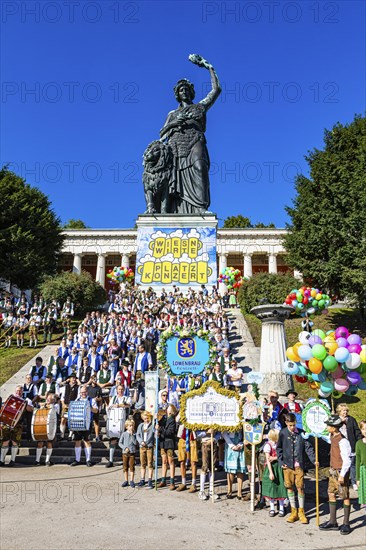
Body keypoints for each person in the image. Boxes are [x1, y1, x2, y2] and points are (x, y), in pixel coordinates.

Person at [159, 54, 221, 214]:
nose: (184, 92)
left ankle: (200, 207)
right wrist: (175, 122)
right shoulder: (172, 113)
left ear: (191, 92)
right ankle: (175, 211)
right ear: (177, 94)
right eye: (181, 90)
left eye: (186, 89)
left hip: (195, 141)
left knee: (200, 168)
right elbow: (162, 134)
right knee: (175, 178)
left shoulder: (200, 107)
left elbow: (216, 90)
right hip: (176, 146)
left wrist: (208, 66)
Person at [277, 412, 316, 524]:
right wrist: (281, 461)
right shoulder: (283, 433)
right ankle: (293, 511)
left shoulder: (301, 434)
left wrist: (314, 460)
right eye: (290, 425)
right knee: (289, 487)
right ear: (286, 423)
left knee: (300, 487)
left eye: (294, 425)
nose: (293, 427)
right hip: (287, 465)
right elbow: (279, 448)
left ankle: (301, 512)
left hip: (299, 466)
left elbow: (308, 448)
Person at [319, 414, 352, 535]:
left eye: (329, 425)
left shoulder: (343, 441)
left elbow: (347, 460)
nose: (327, 427)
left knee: (345, 496)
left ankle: (346, 523)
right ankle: (333, 521)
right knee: (331, 493)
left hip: (340, 471)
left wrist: (342, 475)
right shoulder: (332, 435)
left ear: (334, 427)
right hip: (332, 470)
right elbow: (326, 439)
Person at [0, 386, 34, 467]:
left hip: (18, 424)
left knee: (15, 442)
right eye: (17, 390)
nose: (19, 392)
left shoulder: (26, 400)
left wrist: (25, 404)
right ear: (15, 391)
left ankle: (12, 460)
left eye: (20, 391)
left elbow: (31, 409)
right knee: (5, 442)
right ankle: (1, 460)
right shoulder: (11, 398)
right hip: (7, 423)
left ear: (22, 391)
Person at [70, 385, 99, 467]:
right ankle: (77, 459)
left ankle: (88, 460)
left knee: (87, 441)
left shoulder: (91, 400)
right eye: (82, 392)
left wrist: (90, 408)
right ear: (80, 393)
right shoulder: (77, 399)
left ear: (87, 392)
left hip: (87, 422)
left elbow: (96, 410)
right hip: (78, 422)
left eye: (84, 392)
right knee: (77, 441)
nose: (83, 393)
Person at [261, 429, 287, 516]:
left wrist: (275, 458)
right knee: (272, 487)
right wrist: (271, 473)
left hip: (279, 467)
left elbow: (283, 455)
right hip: (272, 468)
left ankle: (282, 507)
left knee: (281, 487)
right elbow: (268, 460)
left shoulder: (280, 445)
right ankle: (272, 508)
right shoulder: (268, 446)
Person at [336, 403, 362, 491]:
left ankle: (354, 482)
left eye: (346, 410)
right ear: (339, 411)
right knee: (342, 463)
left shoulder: (351, 420)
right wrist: (340, 422)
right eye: (343, 410)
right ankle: (343, 480)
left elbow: (357, 432)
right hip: (340, 445)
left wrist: (359, 442)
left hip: (351, 444)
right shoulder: (336, 420)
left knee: (353, 464)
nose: (345, 412)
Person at [106, 384, 131, 467]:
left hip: (125, 422)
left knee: (125, 441)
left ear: (124, 390)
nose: (120, 391)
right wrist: (111, 407)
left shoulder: (126, 398)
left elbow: (128, 404)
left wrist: (119, 405)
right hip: (115, 422)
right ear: (116, 390)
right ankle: (110, 460)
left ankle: (126, 460)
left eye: (122, 389)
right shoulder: (113, 398)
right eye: (119, 389)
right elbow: (109, 407)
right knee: (113, 440)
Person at [34, 394, 59, 466]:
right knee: (40, 443)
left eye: (50, 399)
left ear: (54, 400)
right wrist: (41, 407)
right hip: (42, 426)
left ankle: (47, 460)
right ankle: (37, 460)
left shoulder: (56, 405)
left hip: (52, 427)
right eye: (47, 398)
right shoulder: (43, 405)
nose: (48, 400)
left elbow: (55, 411)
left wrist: (47, 405)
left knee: (49, 443)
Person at [157, 404, 178, 490]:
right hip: (163, 442)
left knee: (171, 461)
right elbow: (159, 423)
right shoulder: (164, 418)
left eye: (169, 407)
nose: (167, 408)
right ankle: (163, 480)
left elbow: (169, 432)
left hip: (169, 442)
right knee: (164, 461)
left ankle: (172, 481)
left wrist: (160, 429)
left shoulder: (172, 420)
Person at [222, 430, 247, 500]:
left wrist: (241, 444)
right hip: (230, 444)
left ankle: (239, 492)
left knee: (240, 469)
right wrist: (232, 446)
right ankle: (229, 491)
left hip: (240, 443)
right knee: (231, 470)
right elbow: (224, 433)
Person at [176, 422, 198, 493]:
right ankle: (183, 482)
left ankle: (193, 483)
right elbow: (177, 420)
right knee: (182, 461)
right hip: (183, 438)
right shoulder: (181, 412)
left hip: (192, 438)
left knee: (193, 461)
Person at [136, 411, 155, 489]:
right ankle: (142, 479)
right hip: (142, 446)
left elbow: (151, 435)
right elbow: (138, 434)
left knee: (150, 463)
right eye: (144, 418)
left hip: (149, 446)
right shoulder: (140, 426)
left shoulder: (151, 426)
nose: (146, 420)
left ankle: (150, 480)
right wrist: (141, 441)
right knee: (142, 463)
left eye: (147, 418)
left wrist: (146, 442)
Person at [119, 419, 137, 488]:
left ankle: (131, 480)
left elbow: (135, 443)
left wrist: (132, 435)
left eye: (132, 426)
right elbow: (120, 443)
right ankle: (126, 480)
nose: (131, 427)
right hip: (125, 453)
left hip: (132, 453)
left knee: (132, 466)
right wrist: (124, 447)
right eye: (130, 426)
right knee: (125, 466)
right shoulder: (124, 434)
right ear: (127, 427)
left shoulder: (134, 434)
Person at [356, 420, 366, 509]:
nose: (365, 431)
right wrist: (358, 478)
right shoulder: (359, 443)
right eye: (363, 429)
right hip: (364, 472)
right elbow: (358, 462)